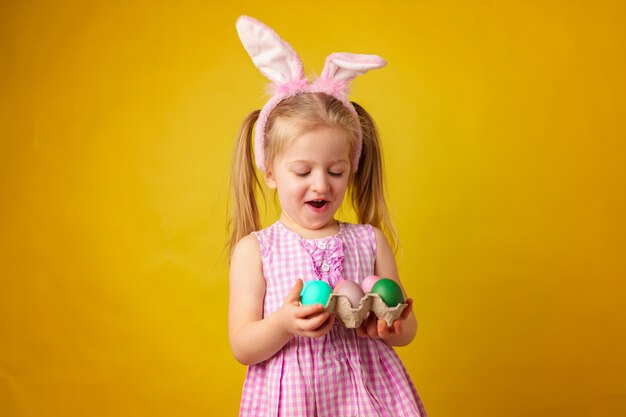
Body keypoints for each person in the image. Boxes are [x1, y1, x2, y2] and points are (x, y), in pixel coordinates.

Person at [228, 15, 427, 417]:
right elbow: (242, 346)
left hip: (368, 395)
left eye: (335, 171)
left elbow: (404, 324)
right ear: (270, 172)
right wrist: (283, 323)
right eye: (302, 172)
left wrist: (394, 326)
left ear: (351, 168)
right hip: (294, 400)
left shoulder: (369, 240)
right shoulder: (256, 250)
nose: (321, 185)